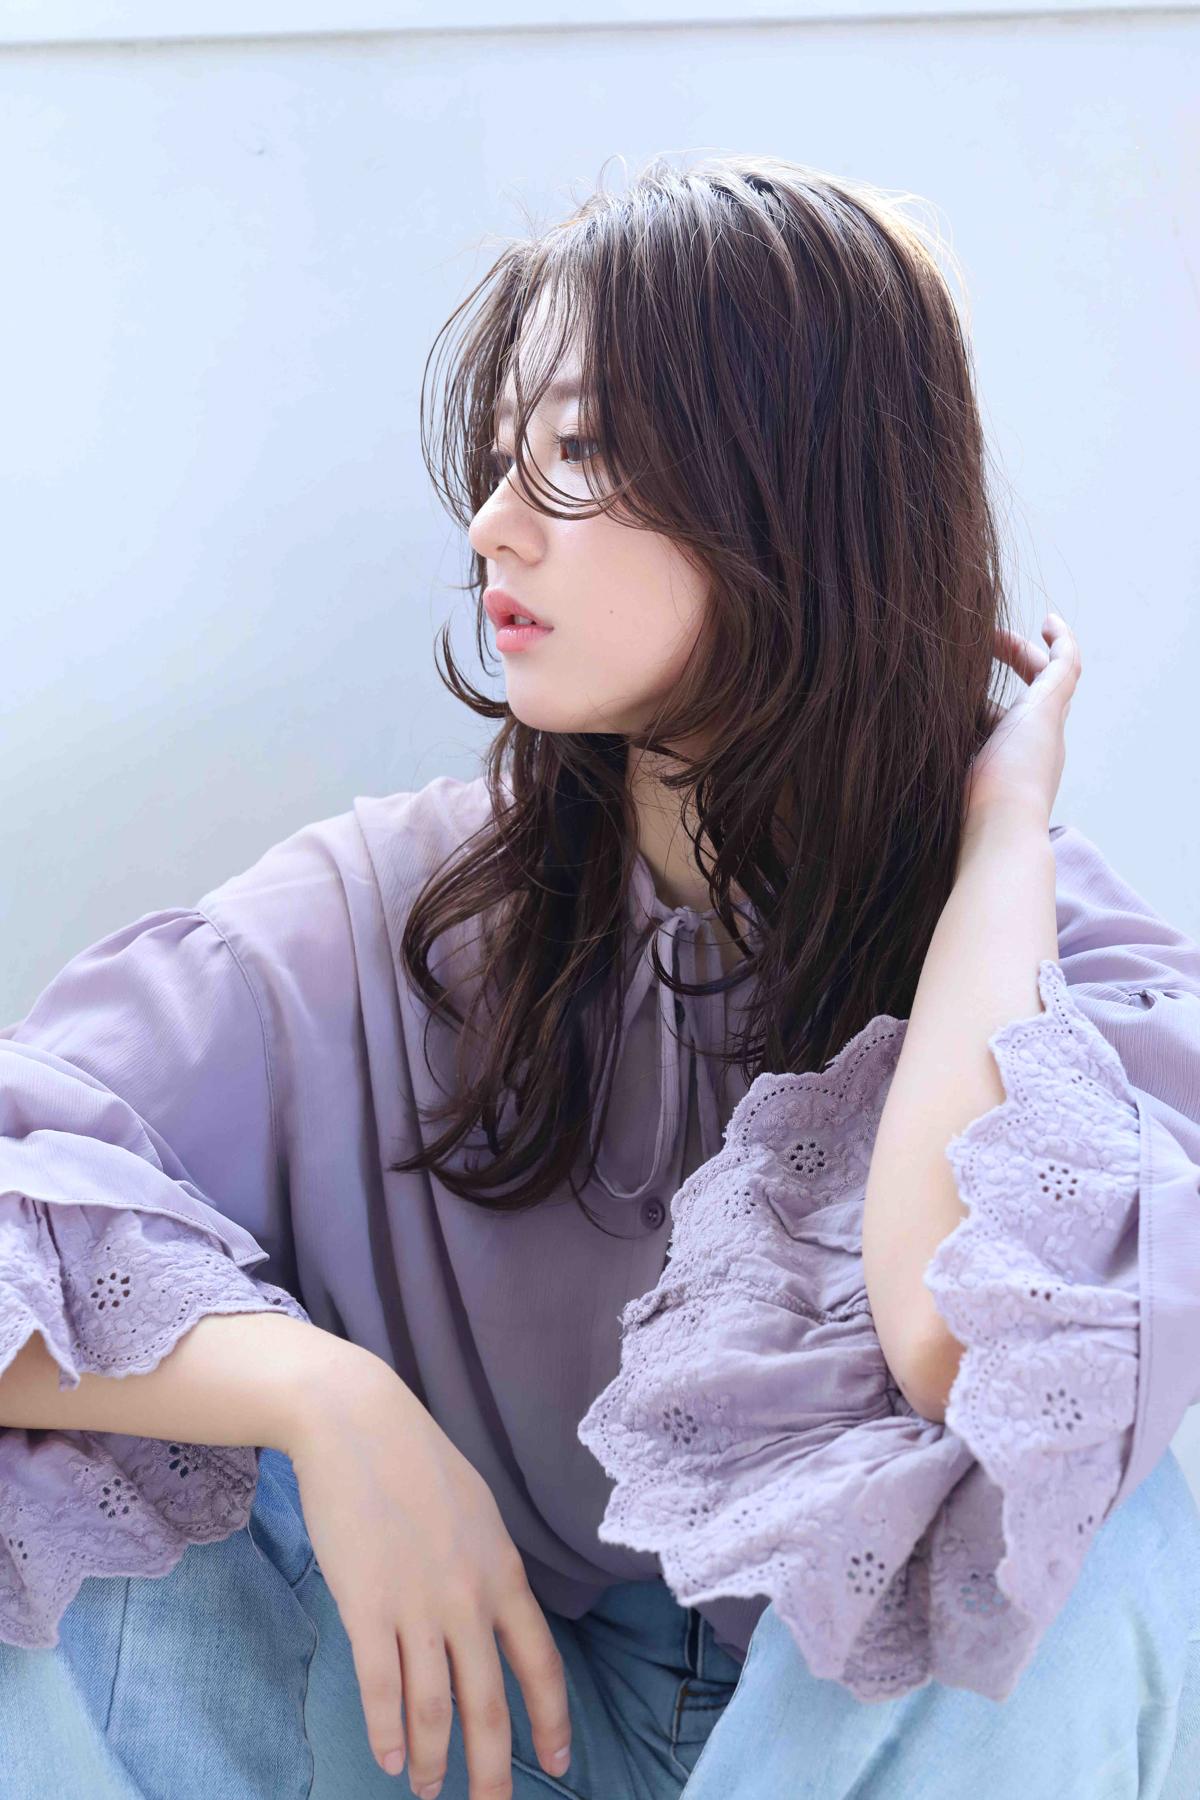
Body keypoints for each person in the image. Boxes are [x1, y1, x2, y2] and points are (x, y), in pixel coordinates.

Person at [1, 151, 1198, 1800]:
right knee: (58, 1478)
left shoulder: (1065, 966)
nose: (494, 524)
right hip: (475, 1722)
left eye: (575, 453)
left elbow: (957, 1345)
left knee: (1089, 1516)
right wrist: (327, 1401)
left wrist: (999, 843)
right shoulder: (379, 918)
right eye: (502, 456)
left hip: (868, 1749)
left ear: (797, 490)